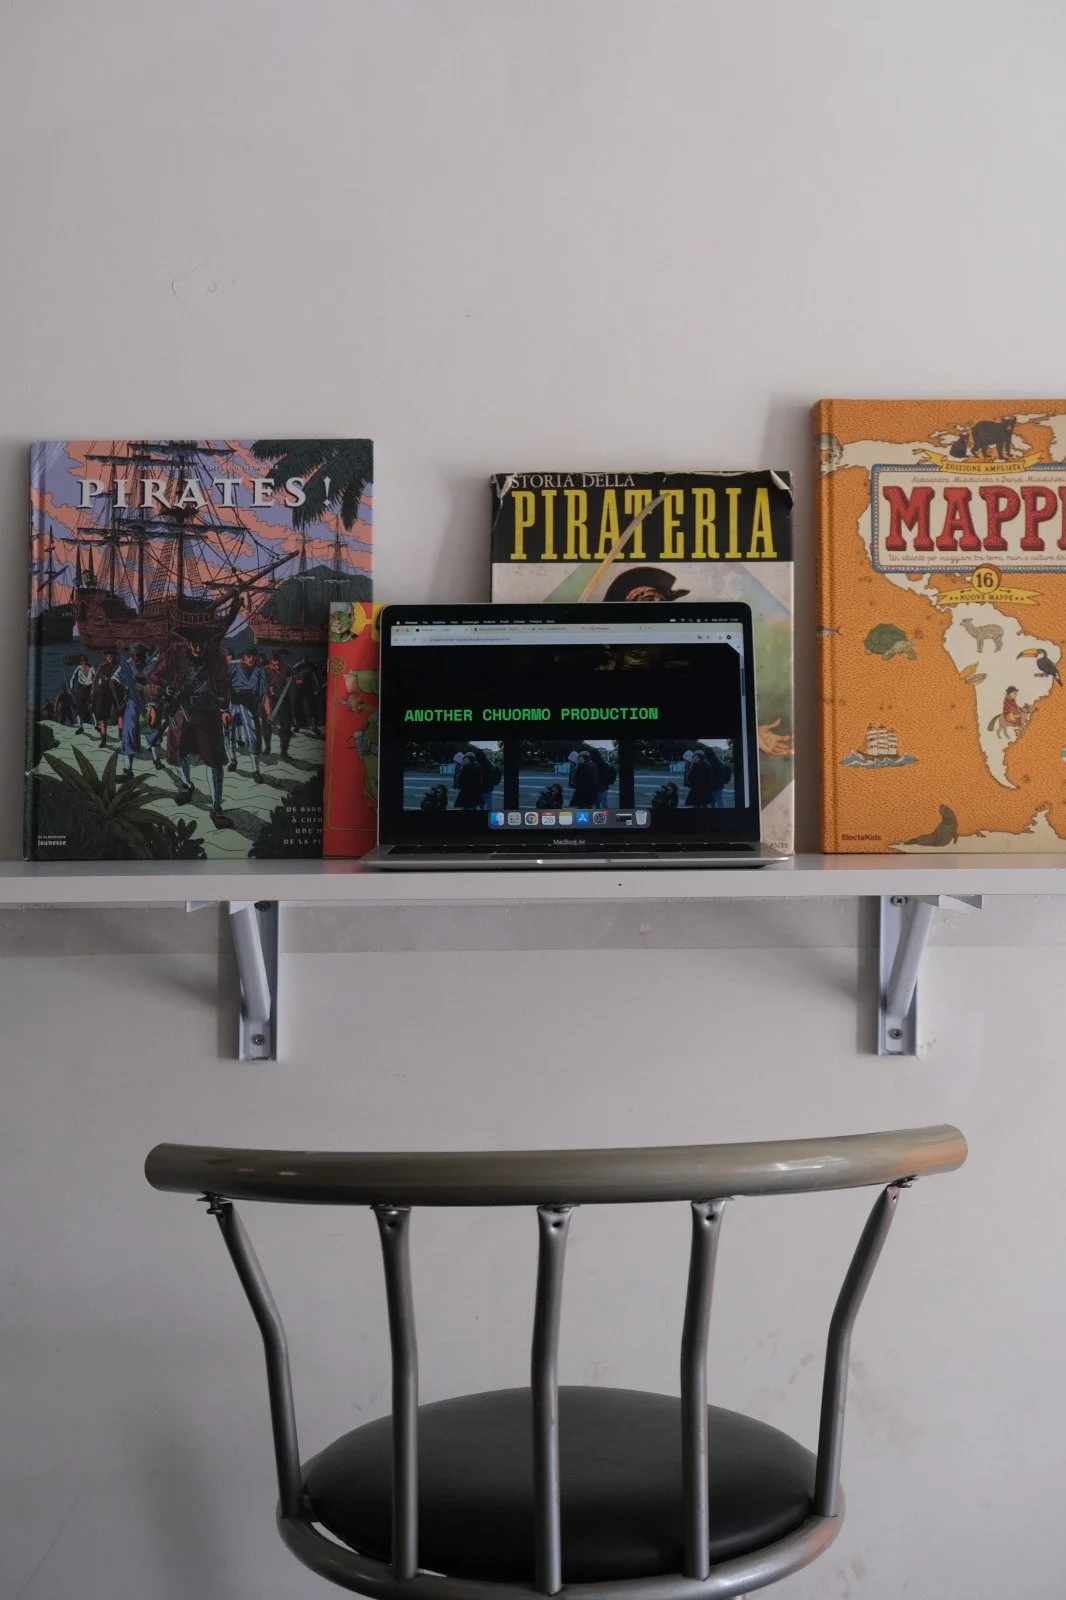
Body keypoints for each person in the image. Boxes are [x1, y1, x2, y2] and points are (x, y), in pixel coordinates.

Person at [147, 626, 232, 827]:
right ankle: (186, 786)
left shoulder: (217, 658)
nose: (197, 648)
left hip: (207, 713)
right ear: (187, 642)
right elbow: (155, 676)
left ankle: (216, 808)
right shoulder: (175, 654)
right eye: (193, 643)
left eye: (202, 643)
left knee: (214, 760)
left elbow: (223, 684)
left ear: (208, 642)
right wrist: (152, 703)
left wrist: (224, 709)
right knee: (179, 753)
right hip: (181, 711)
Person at [110, 642, 154, 782]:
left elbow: (163, 679)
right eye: (134, 657)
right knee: (128, 731)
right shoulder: (127, 664)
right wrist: (114, 683)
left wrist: (147, 681)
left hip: (149, 700)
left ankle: (156, 757)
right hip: (132, 700)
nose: (136, 659)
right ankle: (128, 770)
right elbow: (115, 677)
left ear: (144, 655)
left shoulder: (152, 663)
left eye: (139, 657)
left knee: (151, 731)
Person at [227, 647, 269, 783]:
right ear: (244, 656)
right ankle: (233, 760)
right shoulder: (232, 667)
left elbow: (263, 694)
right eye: (248, 656)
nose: (251, 659)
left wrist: (267, 713)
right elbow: (222, 684)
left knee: (254, 735)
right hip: (232, 704)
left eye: (253, 656)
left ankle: (256, 771)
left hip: (249, 706)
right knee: (228, 732)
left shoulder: (260, 671)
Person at [263, 650, 293, 761]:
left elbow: (292, 679)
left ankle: (284, 753)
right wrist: (269, 689)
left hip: (284, 699)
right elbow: (263, 687)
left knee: (286, 727)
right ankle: (267, 747)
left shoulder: (287, 668)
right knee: (266, 726)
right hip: (269, 700)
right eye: (275, 661)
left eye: (279, 660)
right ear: (271, 661)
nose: (278, 663)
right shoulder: (266, 671)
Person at [90, 650, 119, 747]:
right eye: (108, 655)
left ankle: (122, 734)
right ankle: (103, 740)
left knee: (119, 713)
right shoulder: (102, 666)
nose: (110, 657)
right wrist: (93, 690)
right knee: (103, 717)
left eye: (112, 655)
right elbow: (95, 679)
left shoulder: (118, 666)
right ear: (106, 657)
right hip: (104, 692)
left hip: (115, 691)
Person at [69, 656, 95, 736]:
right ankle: (80, 727)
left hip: (90, 689)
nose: (84, 663)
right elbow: (73, 678)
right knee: (78, 708)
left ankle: (96, 725)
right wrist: (71, 688)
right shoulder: (78, 668)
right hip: (80, 689)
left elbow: (96, 678)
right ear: (81, 663)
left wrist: (95, 688)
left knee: (93, 706)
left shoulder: (92, 668)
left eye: (85, 661)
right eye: (82, 662)